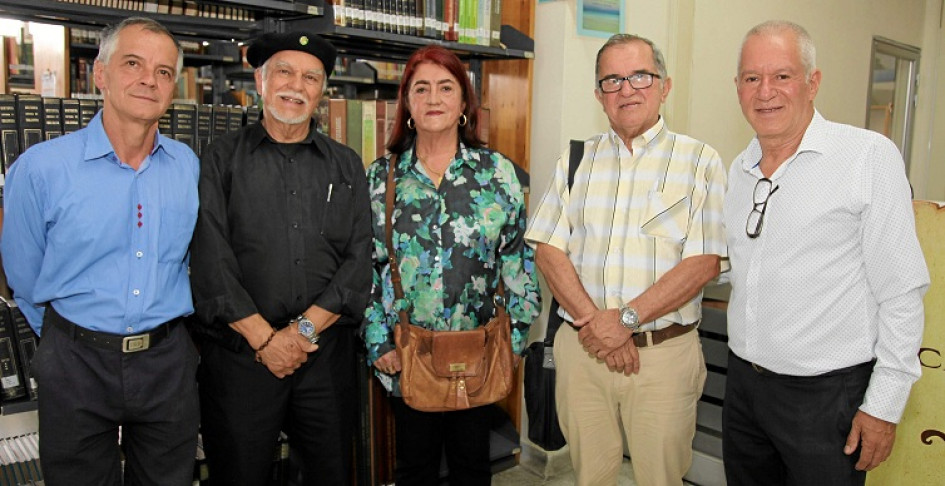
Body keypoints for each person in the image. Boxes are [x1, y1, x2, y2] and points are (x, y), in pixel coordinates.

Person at [722, 20, 930, 486]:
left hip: (825, 399)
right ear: (737, 88)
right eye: (752, 78)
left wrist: (883, 406)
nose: (766, 92)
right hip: (745, 390)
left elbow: (901, 291)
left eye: (782, 76)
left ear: (812, 83)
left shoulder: (866, 157)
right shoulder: (740, 169)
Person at [1, 17, 199, 486]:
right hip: (75, 361)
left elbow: (189, 262)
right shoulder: (41, 169)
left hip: (167, 361)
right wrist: (70, 340)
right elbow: (23, 278)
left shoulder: (187, 166)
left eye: (164, 71)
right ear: (101, 74)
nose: (149, 79)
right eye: (133, 63)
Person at [525, 34, 727, 485]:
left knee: (660, 478)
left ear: (664, 86)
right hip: (585, 353)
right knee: (591, 477)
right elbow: (548, 248)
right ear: (598, 95)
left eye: (640, 76)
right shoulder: (576, 161)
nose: (627, 89)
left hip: (663, 359)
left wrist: (627, 320)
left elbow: (704, 262)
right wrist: (600, 325)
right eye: (612, 80)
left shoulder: (700, 162)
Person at [188, 31, 372, 485]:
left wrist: (301, 332)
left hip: (324, 357)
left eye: (311, 77)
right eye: (284, 72)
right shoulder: (219, 159)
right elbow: (210, 259)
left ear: (322, 91)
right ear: (259, 80)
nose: (296, 85)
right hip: (241, 360)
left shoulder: (347, 165)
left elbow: (359, 258)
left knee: (330, 474)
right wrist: (267, 342)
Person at [362, 45, 541, 486]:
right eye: (420, 89)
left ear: (465, 103)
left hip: (480, 355)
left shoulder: (498, 174)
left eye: (446, 87)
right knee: (415, 469)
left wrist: (513, 340)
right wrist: (377, 340)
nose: (434, 98)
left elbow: (518, 259)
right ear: (406, 103)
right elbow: (363, 265)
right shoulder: (381, 177)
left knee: (472, 468)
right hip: (407, 354)